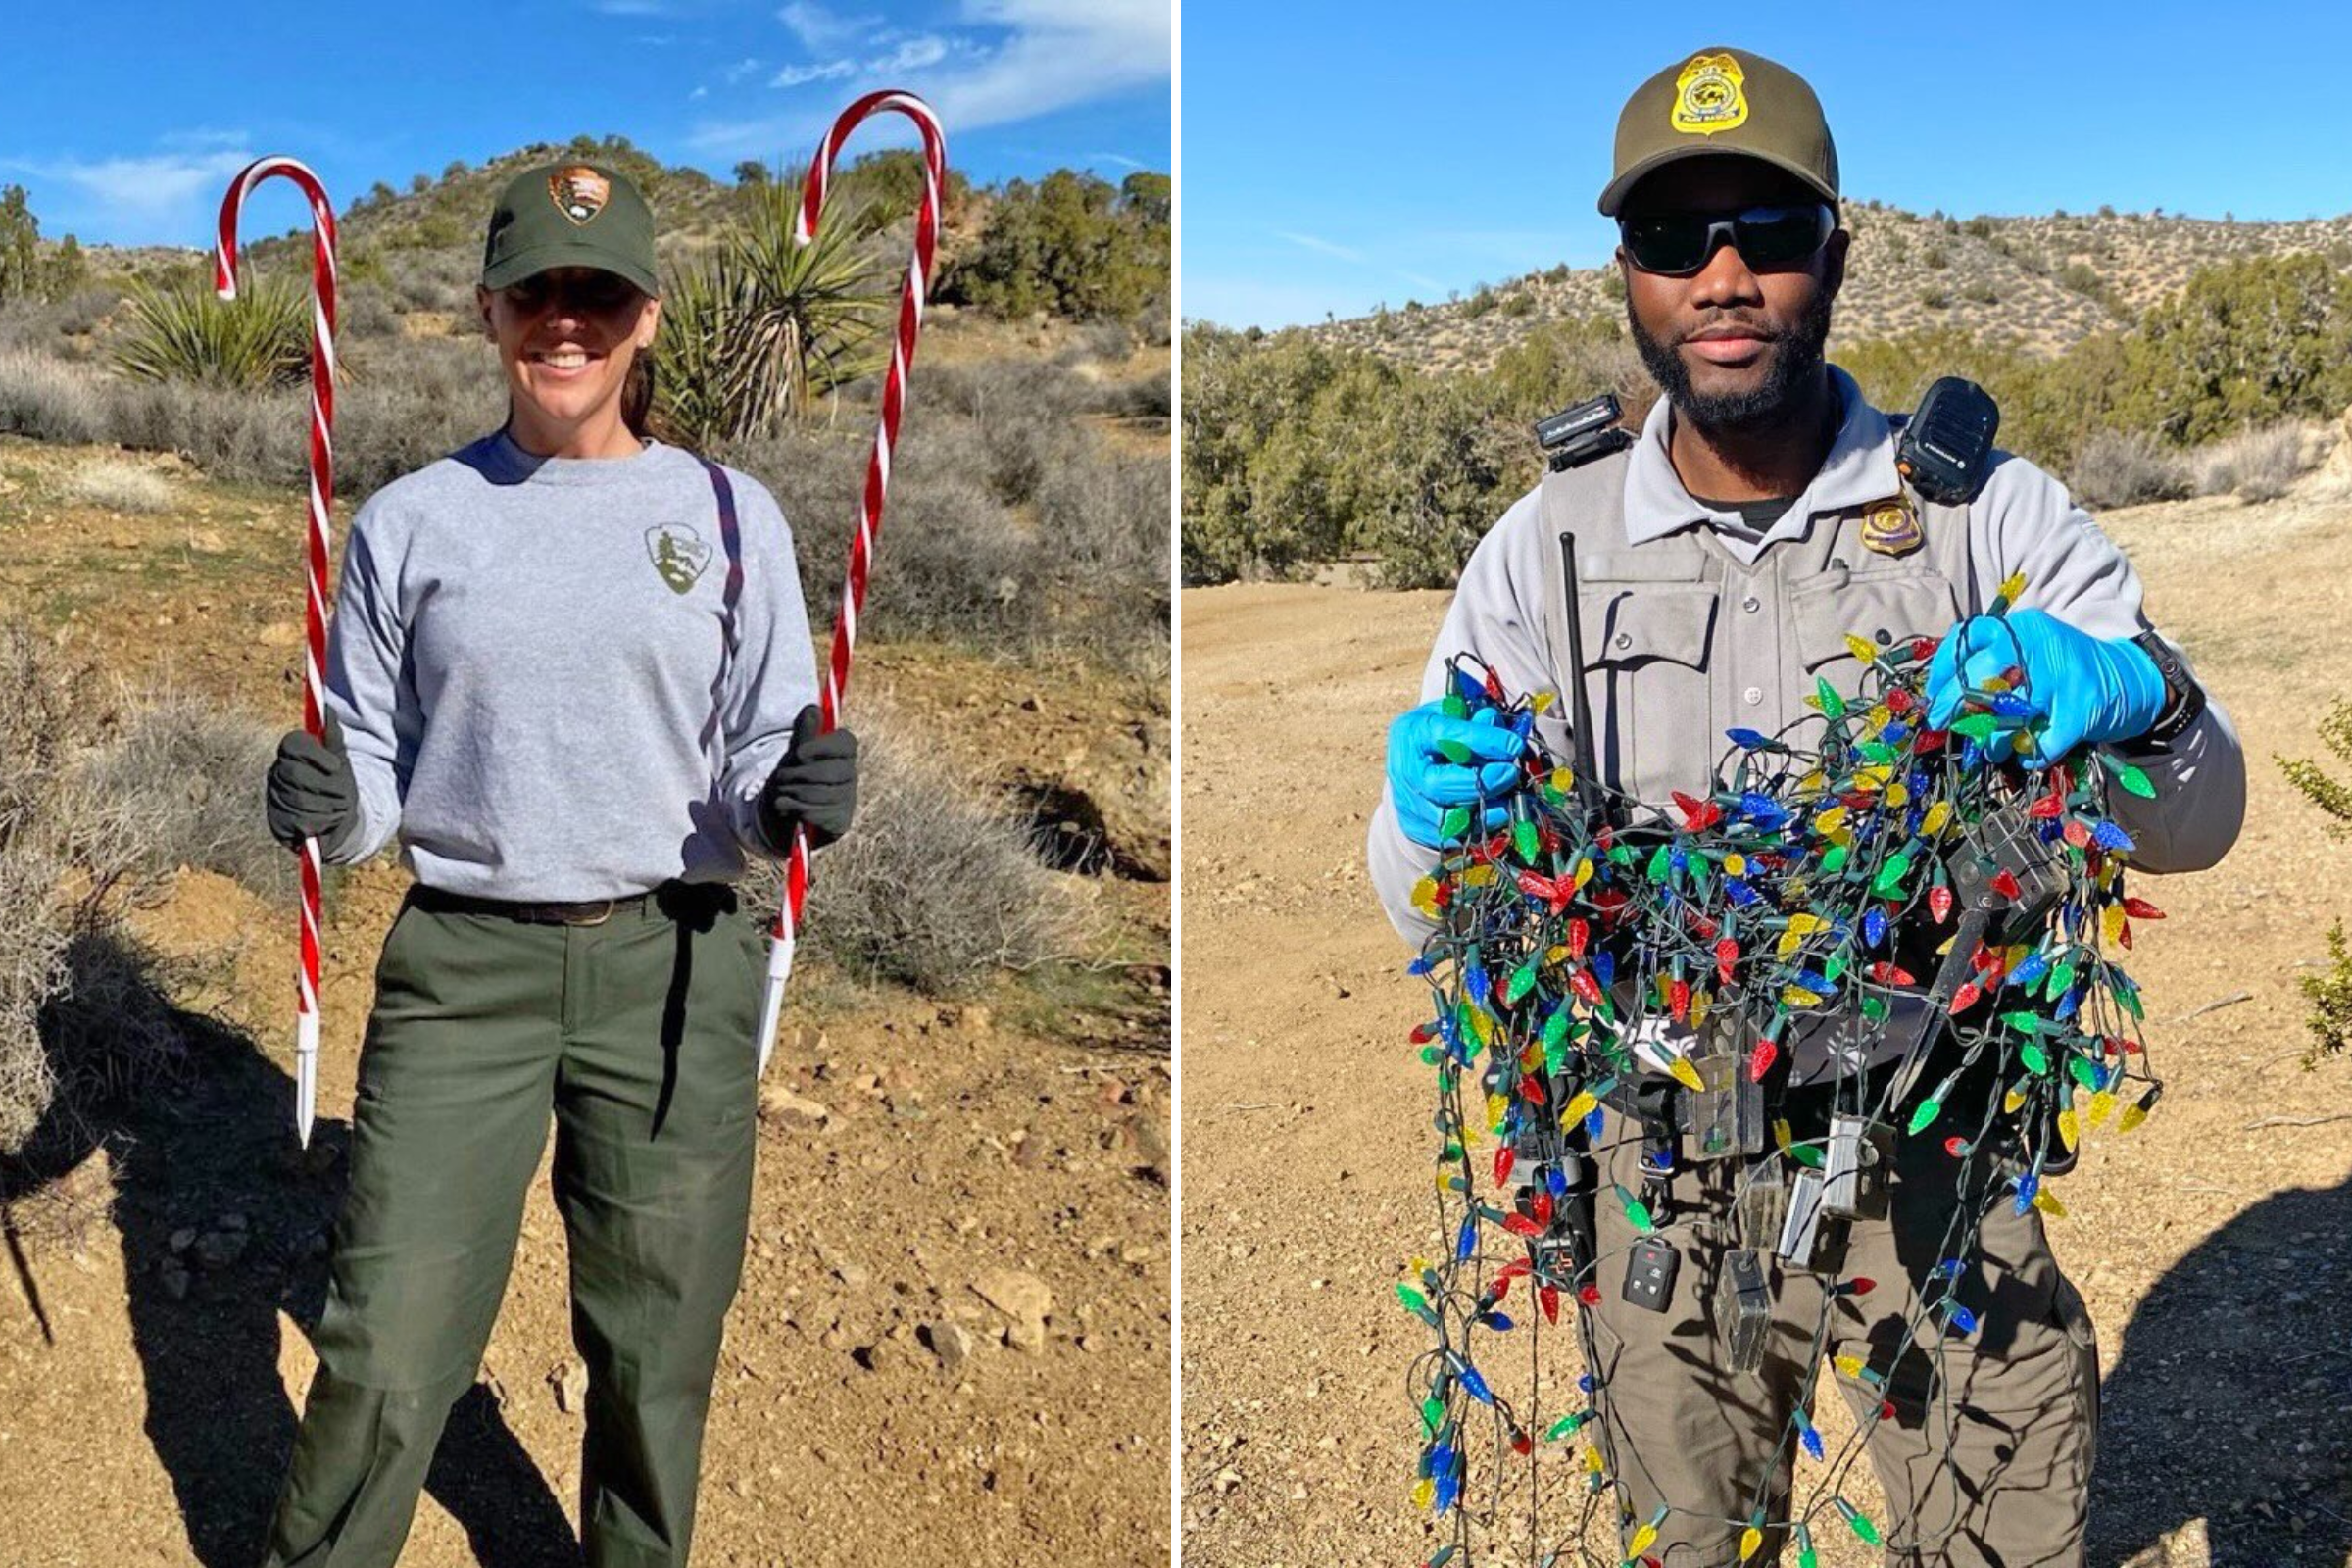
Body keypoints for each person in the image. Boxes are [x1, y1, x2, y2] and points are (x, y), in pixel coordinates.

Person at [1367, 48, 2245, 1567]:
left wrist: (2140, 696)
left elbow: (2201, 820)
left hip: (1932, 1140)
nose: (1722, 277)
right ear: (1627, 274)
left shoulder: (1986, 515)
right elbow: (1426, 914)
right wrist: (1428, 825)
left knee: (2001, 1533)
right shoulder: (1544, 547)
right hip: (1665, 1154)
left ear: (1836, 252)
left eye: (1767, 232)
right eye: (1673, 238)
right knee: (1693, 1538)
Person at [257, 159, 857, 1567]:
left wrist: (790, 799)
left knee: (658, 1348)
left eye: (599, 292)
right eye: (536, 291)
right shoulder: (412, 521)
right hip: (465, 968)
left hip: (677, 962)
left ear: (647, 316)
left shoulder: (731, 517)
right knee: (388, 1340)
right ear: (488, 310)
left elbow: (759, 751)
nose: (565, 320)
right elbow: (372, 769)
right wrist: (330, 806)